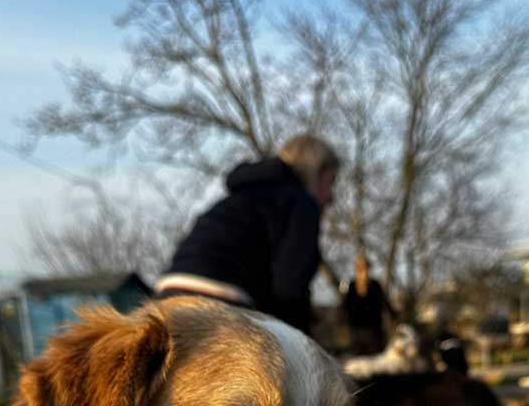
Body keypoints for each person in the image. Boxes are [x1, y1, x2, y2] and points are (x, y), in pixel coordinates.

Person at [154, 135, 340, 335]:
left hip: (168, 292)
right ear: (315, 173)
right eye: (330, 183)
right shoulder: (300, 203)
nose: (331, 197)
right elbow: (289, 289)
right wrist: (303, 345)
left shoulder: (245, 195)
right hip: (221, 296)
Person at [340, 253, 393, 354]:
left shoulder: (375, 286)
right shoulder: (351, 286)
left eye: (365, 268)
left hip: (374, 332)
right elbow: (345, 306)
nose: (363, 271)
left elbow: (385, 304)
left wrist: (394, 314)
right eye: (360, 268)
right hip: (356, 331)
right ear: (356, 269)